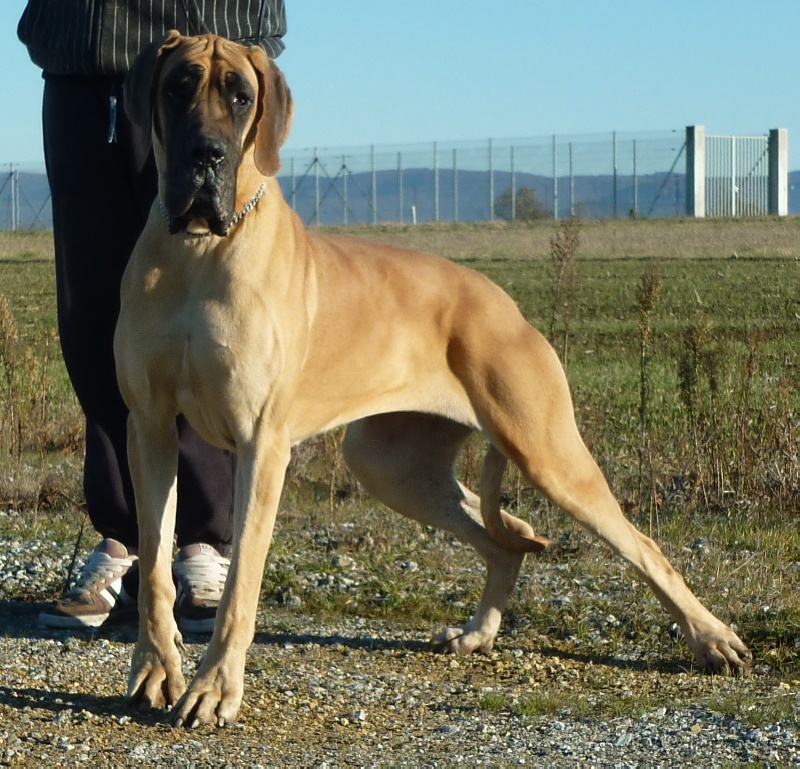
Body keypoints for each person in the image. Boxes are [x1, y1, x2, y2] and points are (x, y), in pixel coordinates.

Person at [17, 1, 287, 632]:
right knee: (95, 315)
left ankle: (201, 545)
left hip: (221, 50)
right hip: (86, 52)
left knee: (220, 318)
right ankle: (125, 536)